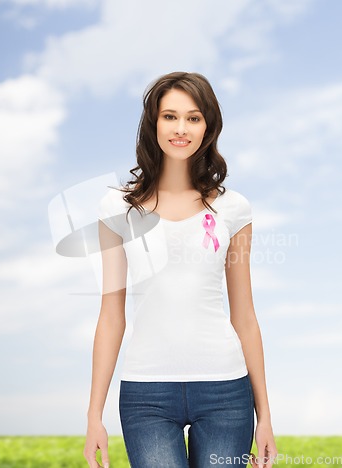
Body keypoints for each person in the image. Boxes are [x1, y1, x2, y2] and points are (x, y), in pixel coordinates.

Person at [84, 72, 277, 468]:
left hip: (226, 392)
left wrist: (265, 416)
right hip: (145, 395)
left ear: (208, 126)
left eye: (193, 118)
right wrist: (93, 414)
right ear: (153, 123)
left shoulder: (233, 209)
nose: (181, 129)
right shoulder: (117, 209)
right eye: (170, 116)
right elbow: (110, 316)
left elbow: (244, 316)